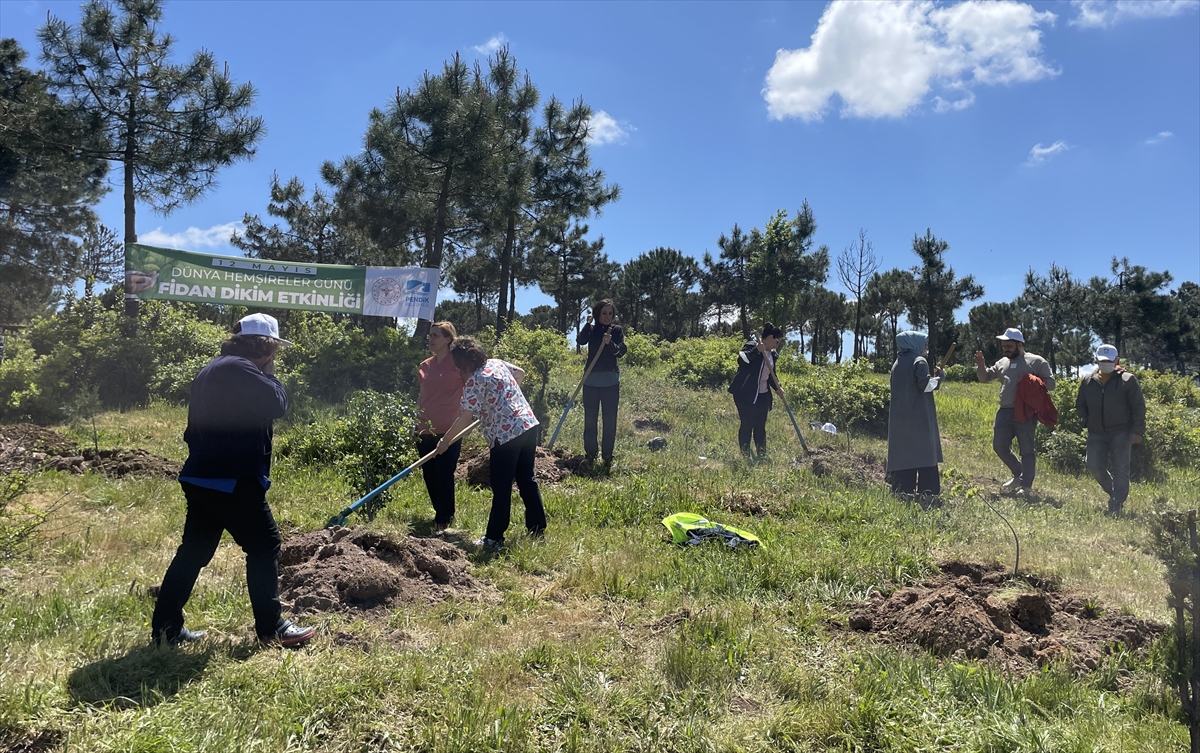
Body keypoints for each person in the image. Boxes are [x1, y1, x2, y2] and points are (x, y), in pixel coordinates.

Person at [152, 313, 316, 647]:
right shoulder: (240, 369)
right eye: (275, 349)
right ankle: (272, 628)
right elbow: (277, 404)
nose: (276, 356)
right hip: (231, 478)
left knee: (193, 552)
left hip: (204, 475)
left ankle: (166, 630)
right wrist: (270, 376)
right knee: (264, 545)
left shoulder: (216, 367)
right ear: (266, 345)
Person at [437, 338, 545, 550]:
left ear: (462, 363)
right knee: (527, 479)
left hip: (506, 435)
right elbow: (520, 373)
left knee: (502, 485)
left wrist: (445, 441)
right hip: (527, 424)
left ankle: (494, 538)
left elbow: (465, 418)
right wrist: (502, 397)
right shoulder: (497, 363)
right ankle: (537, 529)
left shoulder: (474, 381)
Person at [974, 327, 1055, 496]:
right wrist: (981, 366)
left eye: (1009, 346)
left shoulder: (1036, 361)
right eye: (1004, 346)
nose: (1005, 349)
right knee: (999, 446)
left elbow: (1051, 384)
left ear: (1019, 345)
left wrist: (1030, 380)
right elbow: (984, 378)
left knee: (1026, 449)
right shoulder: (1002, 362)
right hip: (1004, 410)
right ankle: (1018, 473)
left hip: (1026, 412)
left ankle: (1026, 486)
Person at [1076, 344, 1145, 515]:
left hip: (1121, 432)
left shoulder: (1128, 380)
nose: (1106, 363)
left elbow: (1138, 407)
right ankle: (1114, 493)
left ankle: (1117, 503)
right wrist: (1083, 419)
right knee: (1092, 464)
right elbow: (1080, 403)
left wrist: (1137, 431)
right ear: (1097, 360)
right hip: (1095, 432)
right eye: (1102, 360)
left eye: (1109, 360)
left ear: (1117, 360)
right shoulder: (1087, 380)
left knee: (1120, 469)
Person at [416, 321, 466, 532]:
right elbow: (422, 395)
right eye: (430, 335)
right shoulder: (425, 365)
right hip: (425, 427)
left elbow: (471, 388)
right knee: (429, 473)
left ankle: (444, 517)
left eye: (436, 335)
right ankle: (440, 512)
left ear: (448, 339)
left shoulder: (459, 365)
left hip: (450, 428)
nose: (431, 339)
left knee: (444, 471)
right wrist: (414, 420)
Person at [886, 331, 944, 497]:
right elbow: (925, 385)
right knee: (924, 454)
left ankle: (903, 489)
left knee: (904, 454)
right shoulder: (920, 361)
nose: (925, 348)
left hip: (900, 419)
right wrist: (940, 378)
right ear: (915, 344)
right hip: (919, 418)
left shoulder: (897, 363)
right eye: (924, 344)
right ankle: (928, 492)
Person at [575, 300, 627, 469]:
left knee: (609, 420)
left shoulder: (616, 330)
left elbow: (620, 352)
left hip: (611, 382)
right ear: (597, 314)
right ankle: (590, 455)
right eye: (604, 313)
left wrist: (610, 343)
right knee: (590, 419)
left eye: (610, 314)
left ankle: (607, 456)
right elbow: (581, 341)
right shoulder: (591, 330)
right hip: (590, 381)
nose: (607, 317)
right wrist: (587, 323)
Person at [727, 323, 786, 459]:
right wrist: (756, 351)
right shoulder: (752, 345)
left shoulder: (772, 355)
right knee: (747, 423)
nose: (777, 345)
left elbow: (771, 375)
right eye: (777, 341)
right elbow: (742, 361)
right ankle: (745, 455)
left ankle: (761, 454)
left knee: (760, 425)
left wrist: (778, 388)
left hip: (762, 394)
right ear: (771, 337)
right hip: (745, 393)